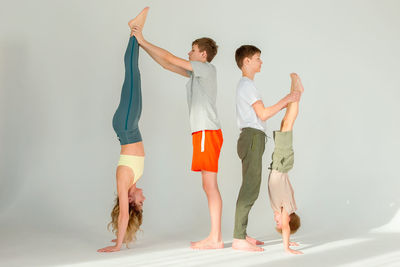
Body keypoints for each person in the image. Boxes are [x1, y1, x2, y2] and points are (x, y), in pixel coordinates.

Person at [131, 12, 224, 249]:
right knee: (208, 185)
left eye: (192, 50)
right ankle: (215, 236)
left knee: (210, 186)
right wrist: (143, 45)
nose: (189, 53)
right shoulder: (197, 73)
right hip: (203, 134)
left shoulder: (206, 69)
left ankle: (215, 238)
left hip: (207, 133)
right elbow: (166, 62)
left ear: (203, 54)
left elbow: (171, 57)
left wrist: (143, 39)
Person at [232, 45, 300, 251]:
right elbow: (262, 114)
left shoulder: (247, 85)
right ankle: (238, 239)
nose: (261, 62)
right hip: (252, 137)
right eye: (258, 58)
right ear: (247, 62)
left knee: (251, 187)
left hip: (253, 138)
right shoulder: (247, 86)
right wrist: (286, 100)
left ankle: (241, 234)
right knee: (250, 189)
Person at [98, 7, 149, 253]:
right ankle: (135, 31)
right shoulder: (133, 180)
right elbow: (126, 219)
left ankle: (134, 29)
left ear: (129, 202)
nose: (143, 198)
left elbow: (123, 216)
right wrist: (125, 236)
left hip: (127, 125)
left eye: (140, 201)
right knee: (134, 75)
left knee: (132, 73)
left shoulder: (123, 181)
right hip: (131, 124)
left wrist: (118, 245)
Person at [268, 72, 304, 255]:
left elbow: (287, 228)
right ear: (287, 220)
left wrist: (290, 241)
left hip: (280, 163)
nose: (277, 221)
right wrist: (287, 246)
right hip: (281, 163)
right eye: (280, 224)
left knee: (285, 122)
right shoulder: (286, 208)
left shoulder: (280, 206)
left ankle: (294, 92)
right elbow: (286, 229)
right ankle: (297, 91)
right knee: (288, 123)